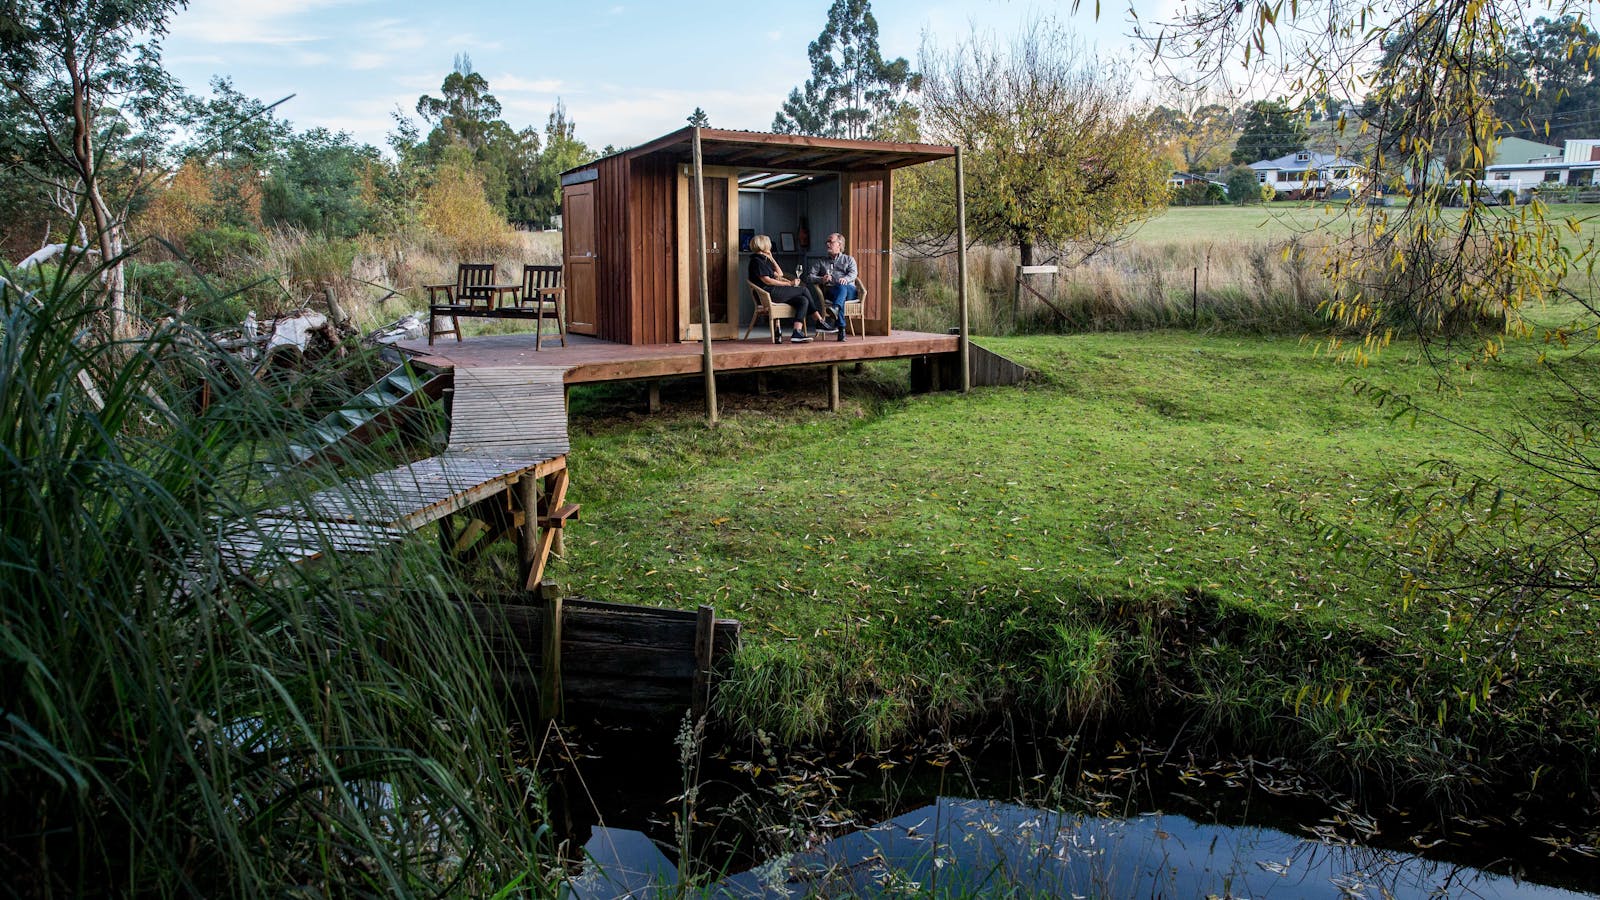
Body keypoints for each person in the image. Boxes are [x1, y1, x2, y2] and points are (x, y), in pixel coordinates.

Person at [748, 234, 834, 342]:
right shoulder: (756, 261)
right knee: (803, 290)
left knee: (803, 300)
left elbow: (780, 274)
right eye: (768, 243)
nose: (770, 246)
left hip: (774, 292)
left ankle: (797, 332)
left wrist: (771, 258)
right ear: (764, 245)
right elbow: (767, 281)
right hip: (769, 293)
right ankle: (819, 321)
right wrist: (789, 284)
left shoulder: (764, 260)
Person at [806, 233, 858, 342]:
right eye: (827, 242)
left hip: (849, 290)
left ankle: (841, 327)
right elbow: (810, 277)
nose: (828, 244)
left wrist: (846, 279)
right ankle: (837, 311)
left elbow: (853, 274)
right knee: (839, 297)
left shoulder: (849, 259)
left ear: (839, 244)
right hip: (832, 291)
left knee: (842, 287)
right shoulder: (822, 262)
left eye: (831, 242)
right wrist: (822, 279)